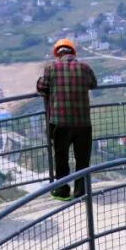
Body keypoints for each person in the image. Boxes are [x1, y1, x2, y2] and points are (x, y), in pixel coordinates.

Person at [37, 38, 98, 200]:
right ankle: (80, 192)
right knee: (82, 159)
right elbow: (93, 84)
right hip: (83, 123)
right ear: (73, 52)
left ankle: (63, 191)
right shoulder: (84, 67)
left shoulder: (51, 68)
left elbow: (42, 88)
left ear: (57, 54)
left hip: (60, 123)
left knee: (61, 158)